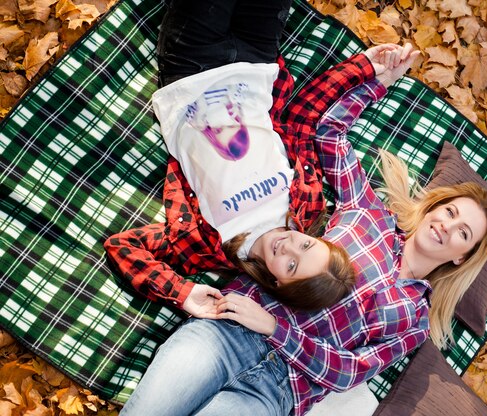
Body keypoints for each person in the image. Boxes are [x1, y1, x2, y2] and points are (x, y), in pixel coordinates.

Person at [116, 1, 487, 415]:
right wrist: (376, 80)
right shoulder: (366, 214)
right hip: (228, 334)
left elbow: (350, 371)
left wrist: (277, 330)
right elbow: (330, 135)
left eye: (463, 232)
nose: (448, 225)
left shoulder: (412, 321)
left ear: (462, 255)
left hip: (276, 391)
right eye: (449, 212)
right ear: (433, 208)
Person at [103, 0, 377, 312]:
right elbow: (302, 123)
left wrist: (182, 293)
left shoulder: (207, 249)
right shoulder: (308, 204)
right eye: (305, 245)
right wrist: (364, 69)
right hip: (255, 63)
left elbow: (124, 246)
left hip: (191, 69)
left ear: (277, 285)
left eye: (291, 266)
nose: (288, 246)